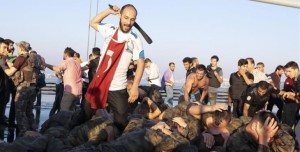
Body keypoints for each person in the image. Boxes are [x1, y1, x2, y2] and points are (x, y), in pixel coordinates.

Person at [83, 4, 145, 131]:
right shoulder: (109, 29)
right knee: (83, 115)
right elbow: (92, 22)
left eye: (132, 19)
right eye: (126, 18)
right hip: (99, 84)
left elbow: (141, 63)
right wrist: (109, 11)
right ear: (120, 16)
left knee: (121, 122)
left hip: (118, 87)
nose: (128, 22)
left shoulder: (135, 39)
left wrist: (135, 87)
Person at [0, 41, 37, 136]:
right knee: (28, 111)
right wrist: (8, 62)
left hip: (23, 88)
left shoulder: (21, 58)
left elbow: (9, 73)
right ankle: (32, 130)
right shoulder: (32, 57)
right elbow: (19, 67)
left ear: (21, 47)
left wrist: (2, 64)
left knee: (20, 112)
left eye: (17, 47)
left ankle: (24, 133)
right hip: (32, 87)